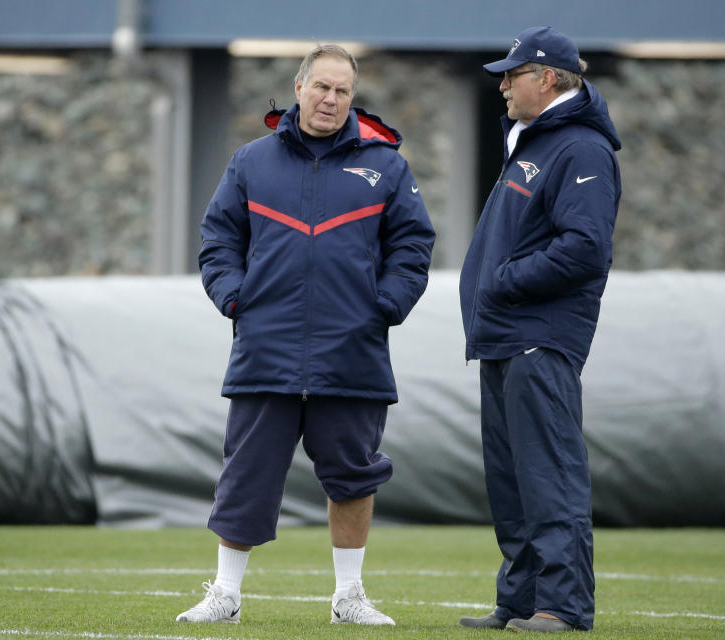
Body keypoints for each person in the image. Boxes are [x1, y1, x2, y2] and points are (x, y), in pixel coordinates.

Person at [177, 44, 434, 626]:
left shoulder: (386, 165)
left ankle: (349, 597)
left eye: (343, 91)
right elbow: (218, 239)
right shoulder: (251, 161)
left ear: (352, 97)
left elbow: (414, 246)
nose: (331, 99)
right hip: (266, 348)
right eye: (321, 87)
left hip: (353, 351)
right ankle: (226, 594)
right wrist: (235, 298)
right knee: (246, 474)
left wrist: (387, 305)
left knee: (354, 474)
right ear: (298, 88)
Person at [458, 26, 622, 633]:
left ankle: (563, 605)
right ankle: (522, 600)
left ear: (548, 77)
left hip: (539, 335)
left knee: (548, 473)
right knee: (509, 480)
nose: (502, 85)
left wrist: (501, 279)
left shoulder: (579, 148)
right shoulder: (532, 141)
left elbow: (584, 248)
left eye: (512, 73)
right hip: (504, 336)